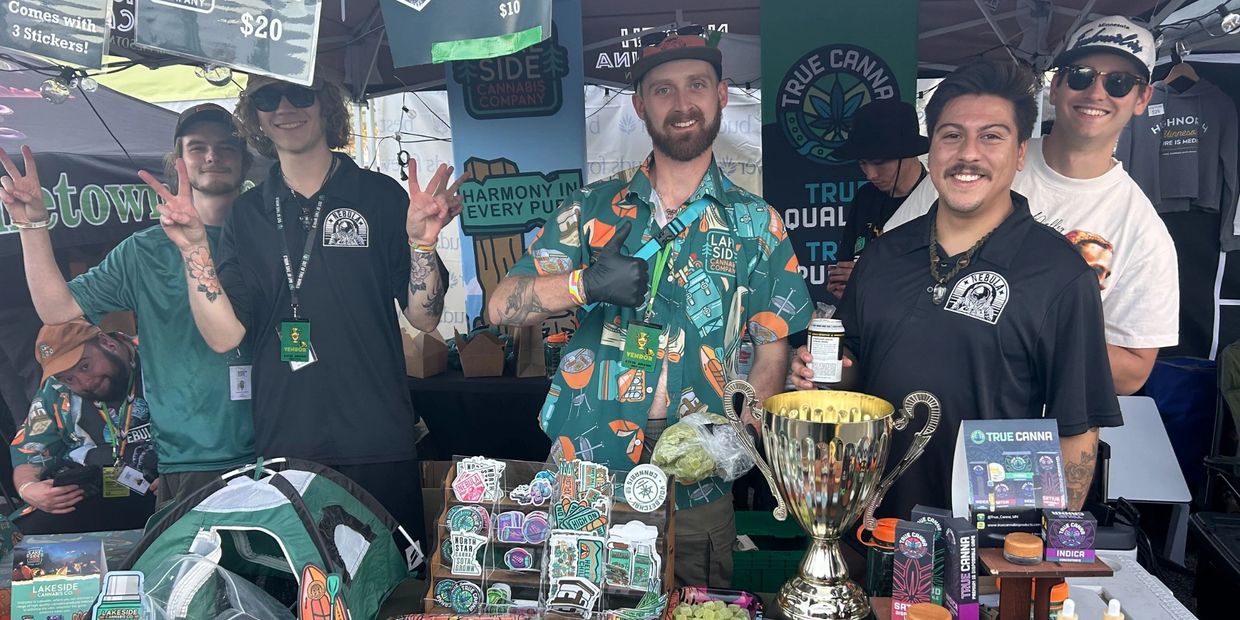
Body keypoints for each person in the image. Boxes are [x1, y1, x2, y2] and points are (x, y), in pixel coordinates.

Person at [487, 27, 813, 587]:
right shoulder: (592, 207)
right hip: (586, 475)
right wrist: (584, 284)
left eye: (696, 86)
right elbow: (500, 307)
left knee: (696, 603)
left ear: (721, 96)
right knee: (576, 600)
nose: (681, 104)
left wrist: (736, 441)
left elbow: (771, 348)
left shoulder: (758, 224)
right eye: (662, 90)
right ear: (639, 104)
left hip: (697, 486)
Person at [789, 59, 1121, 517]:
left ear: (1020, 153)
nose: (969, 154)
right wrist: (823, 372)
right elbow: (854, 372)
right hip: (874, 528)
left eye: (991, 136)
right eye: (951, 135)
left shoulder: (1060, 274)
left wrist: (1042, 552)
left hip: (990, 545)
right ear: (932, 149)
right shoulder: (882, 258)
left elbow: (1078, 428)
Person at [158, 74, 463, 552]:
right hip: (286, 444)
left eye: (299, 94)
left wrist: (422, 242)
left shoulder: (379, 196)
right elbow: (223, 336)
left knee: (393, 588)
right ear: (254, 116)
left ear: (324, 104)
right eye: (266, 99)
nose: (284, 108)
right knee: (308, 593)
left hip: (377, 434)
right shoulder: (249, 212)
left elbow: (425, 317)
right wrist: (195, 249)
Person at [882, 16, 1178, 395]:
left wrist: (1017, 325)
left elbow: (1133, 373)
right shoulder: (970, 166)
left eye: (1119, 83)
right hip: (926, 394)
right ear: (1055, 86)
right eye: (1082, 76)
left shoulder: (1144, 231)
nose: (1096, 93)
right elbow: (890, 262)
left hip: (1037, 430)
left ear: (1142, 99)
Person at [0, 104, 256, 505]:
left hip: (280, 447)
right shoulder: (145, 251)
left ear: (245, 159)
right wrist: (32, 225)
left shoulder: (275, 239)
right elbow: (59, 310)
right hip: (189, 458)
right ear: (177, 162)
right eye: (197, 147)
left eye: (226, 147)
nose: (212, 156)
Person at [11, 319, 158, 534]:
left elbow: (209, 421)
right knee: (21, 537)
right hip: (97, 487)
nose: (85, 383)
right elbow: (30, 449)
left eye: (85, 366)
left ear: (106, 342)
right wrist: (28, 489)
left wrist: (182, 470)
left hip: (165, 484)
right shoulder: (56, 388)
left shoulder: (158, 358)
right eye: (69, 378)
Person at [828, 99, 928, 299]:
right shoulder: (865, 197)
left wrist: (869, 280)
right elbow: (845, 262)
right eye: (863, 163)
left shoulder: (935, 200)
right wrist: (843, 288)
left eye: (880, 163)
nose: (870, 174)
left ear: (908, 154)